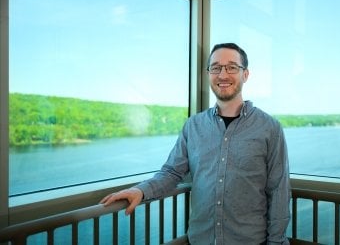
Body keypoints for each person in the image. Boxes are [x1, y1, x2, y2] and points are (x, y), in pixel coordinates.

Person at [101, 43, 291, 244]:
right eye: (216, 68)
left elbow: (278, 190)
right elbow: (172, 172)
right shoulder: (193, 126)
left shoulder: (270, 128)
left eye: (232, 67)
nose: (223, 75)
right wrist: (139, 191)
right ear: (208, 74)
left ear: (245, 75)